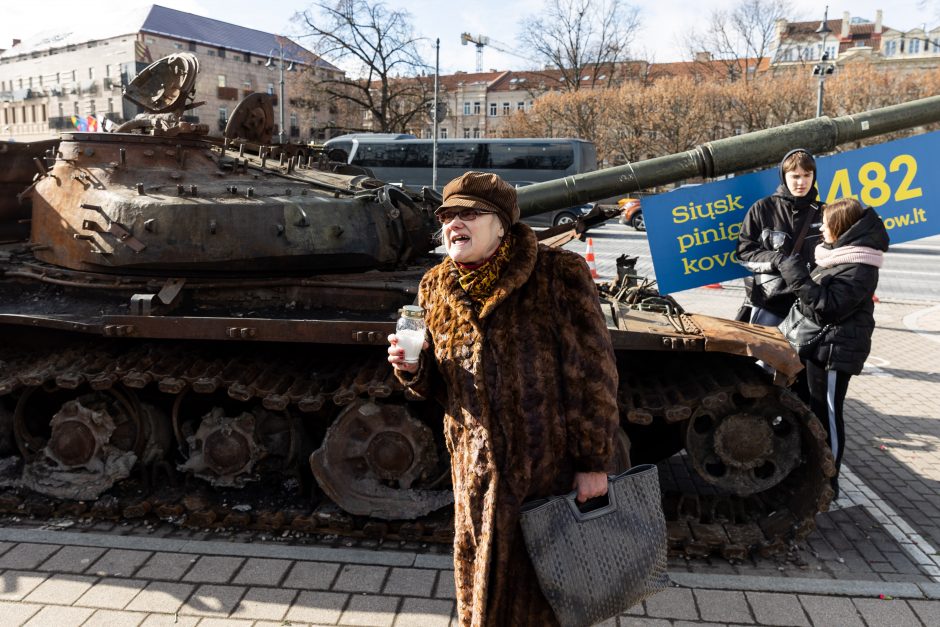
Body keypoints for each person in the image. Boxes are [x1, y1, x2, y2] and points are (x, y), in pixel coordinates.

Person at [387, 171, 619, 626]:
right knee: (481, 589)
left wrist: (593, 463)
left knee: (542, 597)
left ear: (502, 225)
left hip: (544, 471)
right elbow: (440, 385)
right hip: (474, 471)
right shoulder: (435, 285)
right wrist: (412, 369)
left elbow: (594, 373)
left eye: (469, 213)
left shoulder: (557, 273)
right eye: (448, 215)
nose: (455, 223)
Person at [777, 197, 888, 500]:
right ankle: (810, 468)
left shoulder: (860, 263)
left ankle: (829, 481)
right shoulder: (838, 255)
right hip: (821, 346)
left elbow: (827, 306)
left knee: (827, 413)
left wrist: (796, 274)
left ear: (841, 227)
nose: (821, 227)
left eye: (826, 222)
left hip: (835, 351)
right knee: (811, 409)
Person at [737, 149, 823, 326]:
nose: (801, 182)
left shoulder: (824, 212)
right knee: (762, 353)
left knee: (801, 355)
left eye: (807, 175)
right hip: (770, 303)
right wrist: (779, 260)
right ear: (784, 177)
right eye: (795, 176)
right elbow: (744, 253)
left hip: (809, 306)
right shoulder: (763, 208)